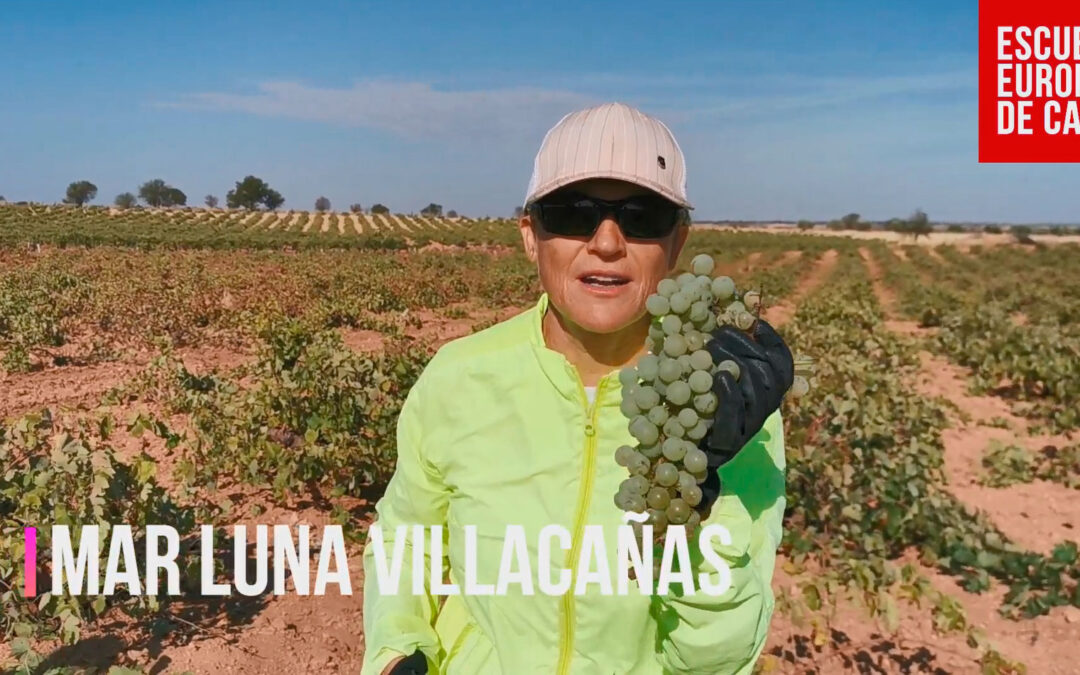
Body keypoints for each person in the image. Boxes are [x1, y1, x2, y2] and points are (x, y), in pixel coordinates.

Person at [362, 102, 793, 675]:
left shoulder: (720, 406)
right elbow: (405, 537)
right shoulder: (459, 376)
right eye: (572, 213)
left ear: (678, 242)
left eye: (642, 216)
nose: (608, 242)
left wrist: (695, 505)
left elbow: (717, 659)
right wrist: (397, 649)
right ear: (529, 236)